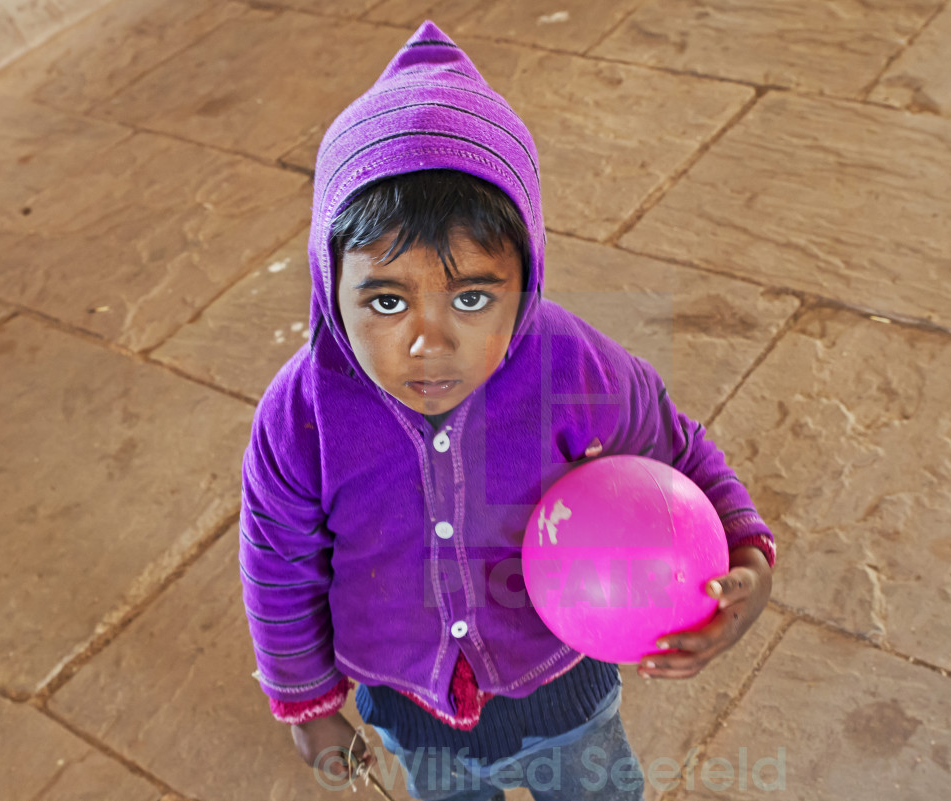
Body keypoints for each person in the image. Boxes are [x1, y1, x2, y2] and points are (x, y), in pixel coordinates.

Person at [239, 21, 775, 801]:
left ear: (526, 278)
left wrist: (747, 561)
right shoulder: (302, 413)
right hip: (408, 708)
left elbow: (678, 451)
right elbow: (277, 562)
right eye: (386, 300)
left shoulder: (571, 362)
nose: (430, 342)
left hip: (563, 693)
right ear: (328, 283)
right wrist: (307, 703)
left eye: (473, 296)